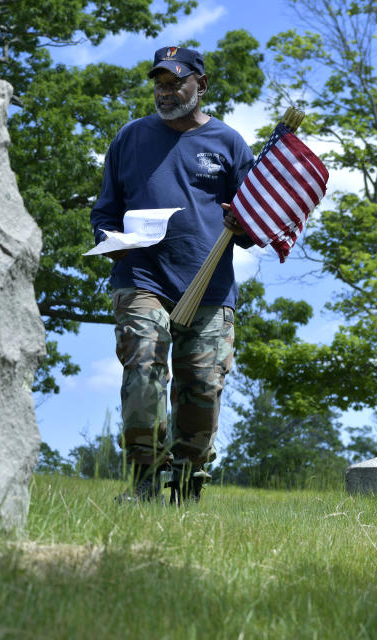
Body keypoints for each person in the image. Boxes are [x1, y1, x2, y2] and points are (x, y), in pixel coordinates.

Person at [90, 46, 254, 504]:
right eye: (159, 84)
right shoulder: (130, 138)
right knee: (143, 370)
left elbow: (252, 225)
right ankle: (144, 479)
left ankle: (186, 482)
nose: (165, 92)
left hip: (209, 288)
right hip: (141, 279)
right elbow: (105, 210)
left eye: (175, 82)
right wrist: (110, 241)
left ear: (200, 85)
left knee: (202, 387)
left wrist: (245, 226)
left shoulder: (229, 144)